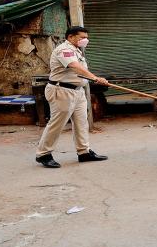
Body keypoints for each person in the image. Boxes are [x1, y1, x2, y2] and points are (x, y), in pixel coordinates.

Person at [36, 26, 109, 168]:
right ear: (70, 37)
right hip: (62, 91)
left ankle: (84, 152)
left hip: (77, 91)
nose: (85, 40)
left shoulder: (76, 50)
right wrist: (95, 78)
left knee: (82, 122)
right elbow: (75, 66)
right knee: (57, 124)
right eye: (82, 37)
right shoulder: (64, 49)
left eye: (86, 38)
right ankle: (43, 154)